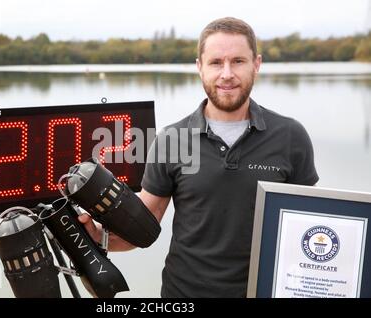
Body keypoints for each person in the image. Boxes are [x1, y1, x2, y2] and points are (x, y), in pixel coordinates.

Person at [79, 17, 319, 297]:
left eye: (238, 61)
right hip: (183, 294)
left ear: (256, 64)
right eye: (216, 62)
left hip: (263, 291)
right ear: (199, 68)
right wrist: (99, 237)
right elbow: (143, 225)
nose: (226, 73)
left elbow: (311, 226)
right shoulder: (171, 139)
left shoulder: (291, 136)